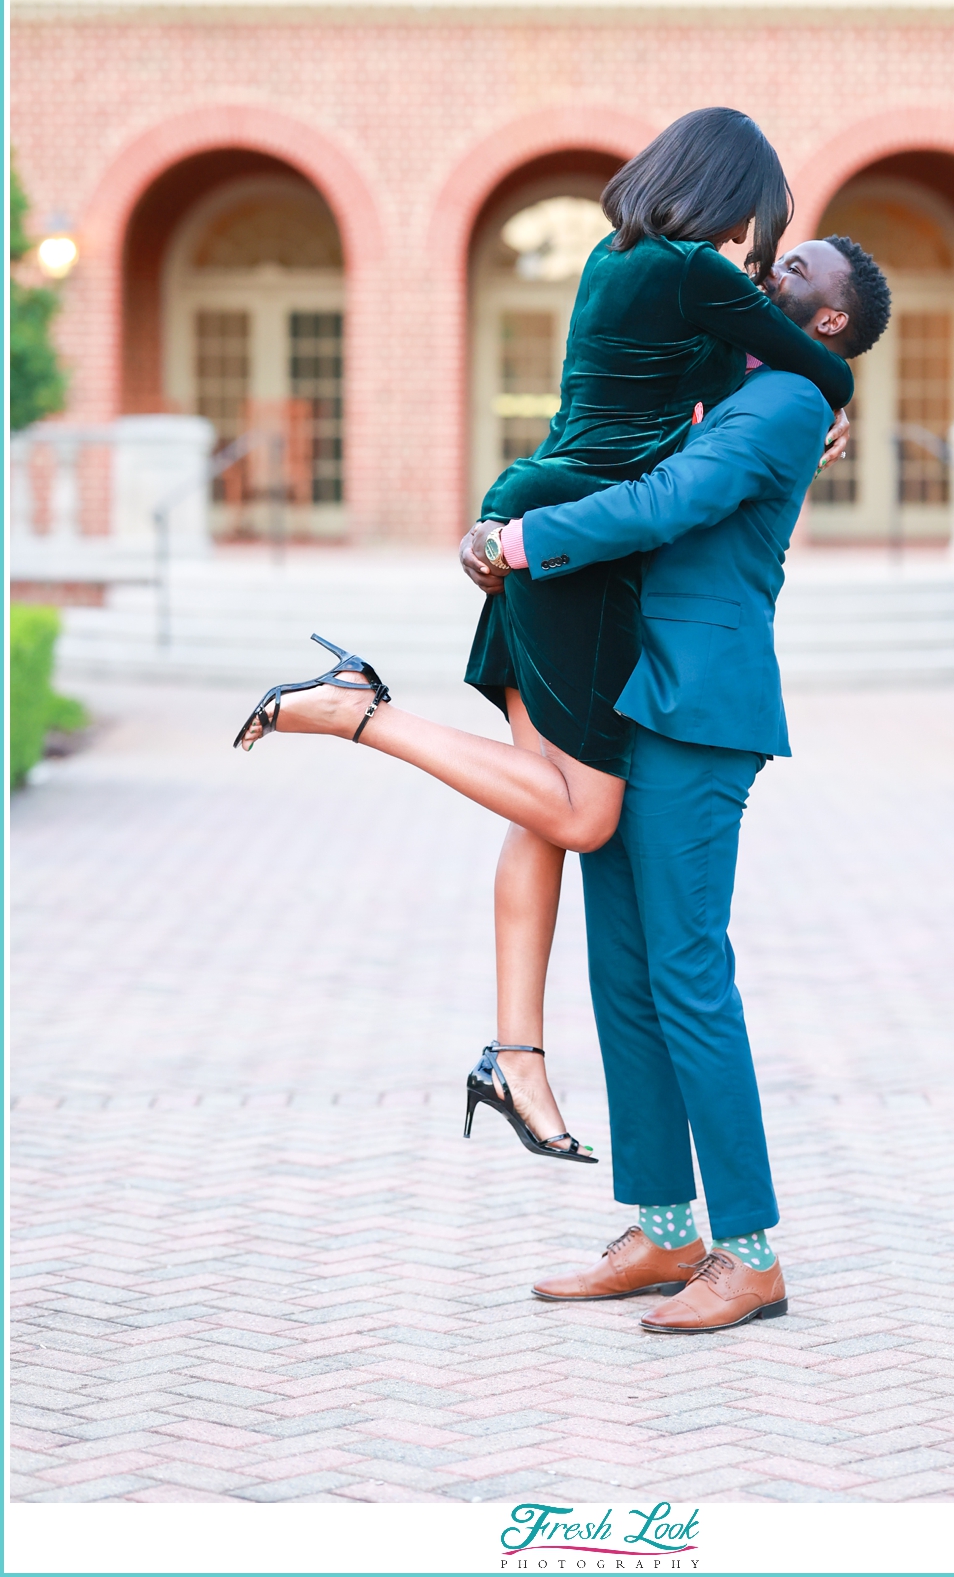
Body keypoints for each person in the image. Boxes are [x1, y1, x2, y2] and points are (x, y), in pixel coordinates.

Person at [236, 108, 855, 1161]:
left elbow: (707, 391)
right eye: (764, 228)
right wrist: (835, 398)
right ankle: (357, 713)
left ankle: (513, 1055)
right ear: (726, 194)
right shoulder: (694, 273)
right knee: (583, 815)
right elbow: (818, 371)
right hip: (571, 542)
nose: (759, 253)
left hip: (539, 509)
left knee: (536, 803)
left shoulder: (616, 264)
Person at [470, 235, 891, 1331]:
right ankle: (665, 1233)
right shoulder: (734, 376)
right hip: (627, 688)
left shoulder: (792, 399)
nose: (771, 269)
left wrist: (522, 541)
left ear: (833, 321)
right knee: (625, 976)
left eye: (798, 269)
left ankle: (749, 1256)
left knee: (690, 975)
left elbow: (671, 500)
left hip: (700, 705)